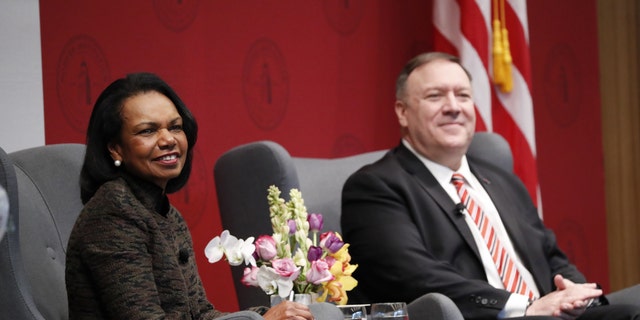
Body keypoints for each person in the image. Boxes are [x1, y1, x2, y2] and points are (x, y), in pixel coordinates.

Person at [340, 52, 640, 320]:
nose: (453, 107)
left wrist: (577, 294)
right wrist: (523, 307)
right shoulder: (375, 187)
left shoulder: (503, 181)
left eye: (463, 95)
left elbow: (551, 257)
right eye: (435, 96)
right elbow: (413, 277)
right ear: (403, 111)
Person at [65, 72, 340, 320]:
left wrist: (267, 314)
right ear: (115, 148)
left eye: (175, 127)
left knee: (319, 314)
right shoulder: (113, 214)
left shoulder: (167, 214)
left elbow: (199, 314)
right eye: (148, 131)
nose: (168, 139)